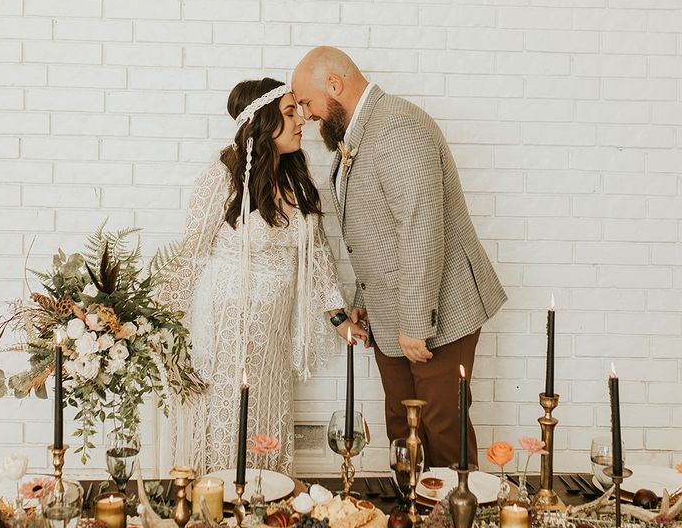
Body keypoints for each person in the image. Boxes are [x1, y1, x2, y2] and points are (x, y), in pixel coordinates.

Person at [291, 48, 507, 469]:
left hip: (438, 313)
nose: (305, 114)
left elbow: (420, 227)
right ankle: (414, 521)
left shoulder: (397, 128)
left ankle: (456, 526)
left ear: (334, 85)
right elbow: (375, 232)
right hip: (394, 315)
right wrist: (364, 300)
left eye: (306, 102)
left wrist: (414, 322)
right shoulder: (359, 134)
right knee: (403, 431)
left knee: (442, 430)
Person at [156, 77, 365, 476]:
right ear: (263, 123)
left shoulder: (295, 180)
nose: (301, 120)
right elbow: (191, 255)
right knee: (228, 411)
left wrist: (339, 317)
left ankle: (265, 494)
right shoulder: (220, 178)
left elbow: (316, 254)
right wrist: (159, 324)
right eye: (290, 113)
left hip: (273, 328)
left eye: (299, 111)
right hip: (226, 326)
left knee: (266, 409)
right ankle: (218, 496)